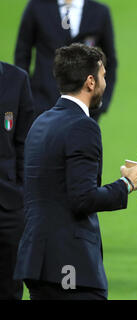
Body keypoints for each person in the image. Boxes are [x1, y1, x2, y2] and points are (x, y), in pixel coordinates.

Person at [13, 43, 137, 300]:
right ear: (90, 81)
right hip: (69, 265)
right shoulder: (82, 127)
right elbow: (82, 199)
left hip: (37, 261)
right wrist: (127, 184)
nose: (105, 84)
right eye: (103, 76)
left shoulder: (40, 123)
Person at [14, 0, 117, 121]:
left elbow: (110, 61)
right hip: (42, 105)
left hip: (85, 109)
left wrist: (102, 102)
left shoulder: (99, 12)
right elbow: (22, 55)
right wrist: (29, 98)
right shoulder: (37, 7)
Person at [0, 62, 34, 300]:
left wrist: (21, 194)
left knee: (10, 290)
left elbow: (25, 145)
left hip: (8, 207)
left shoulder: (16, 79)